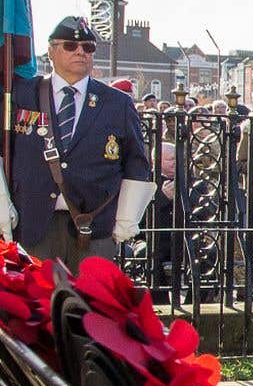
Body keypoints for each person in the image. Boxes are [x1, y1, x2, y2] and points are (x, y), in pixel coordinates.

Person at [6, 16, 153, 265]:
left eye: (88, 47)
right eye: (70, 46)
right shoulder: (22, 94)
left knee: (88, 302)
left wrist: (125, 222)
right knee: (37, 302)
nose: (80, 52)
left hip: (95, 227)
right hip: (32, 225)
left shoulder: (117, 102)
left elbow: (136, 164)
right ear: (51, 51)